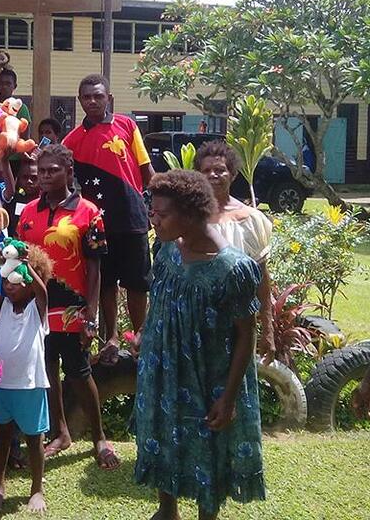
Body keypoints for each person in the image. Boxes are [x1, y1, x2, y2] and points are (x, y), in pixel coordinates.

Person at [136, 170, 265, 520]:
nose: (154, 220)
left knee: (209, 447)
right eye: (153, 212)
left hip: (209, 376)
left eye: (163, 214)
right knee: (162, 432)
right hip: (163, 367)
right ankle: (167, 510)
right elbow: (161, 296)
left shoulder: (232, 269)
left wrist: (229, 397)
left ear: (191, 214)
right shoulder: (167, 249)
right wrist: (146, 332)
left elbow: (246, 334)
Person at [17, 144, 116, 467]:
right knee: (46, 369)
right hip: (37, 306)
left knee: (78, 371)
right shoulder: (28, 211)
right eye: (41, 171)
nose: (45, 177)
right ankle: (60, 432)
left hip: (73, 309)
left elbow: (96, 268)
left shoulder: (88, 212)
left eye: (52, 171)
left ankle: (99, 436)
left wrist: (91, 314)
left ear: (69, 172)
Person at [63, 73, 154, 364]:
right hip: (97, 222)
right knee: (105, 283)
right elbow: (64, 181)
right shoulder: (71, 140)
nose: (92, 101)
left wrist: (159, 205)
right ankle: (111, 338)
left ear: (109, 98)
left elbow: (147, 171)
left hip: (133, 217)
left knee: (138, 282)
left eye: (98, 96)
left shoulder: (127, 126)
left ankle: (140, 337)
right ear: (80, 101)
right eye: (87, 97)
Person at [195, 140, 276, 359]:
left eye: (220, 170)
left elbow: (261, 276)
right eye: (206, 170)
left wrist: (267, 328)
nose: (213, 175)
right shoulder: (187, 217)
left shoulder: (250, 220)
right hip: (194, 323)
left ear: (232, 174)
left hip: (239, 324)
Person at [0, 244, 50, 513]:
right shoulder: (2, 306)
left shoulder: (37, 308)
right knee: (3, 435)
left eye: (16, 281)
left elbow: (42, 291)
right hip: (4, 384)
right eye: (6, 280)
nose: (9, 286)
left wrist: (27, 267)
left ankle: (36, 489)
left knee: (34, 439)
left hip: (30, 384)